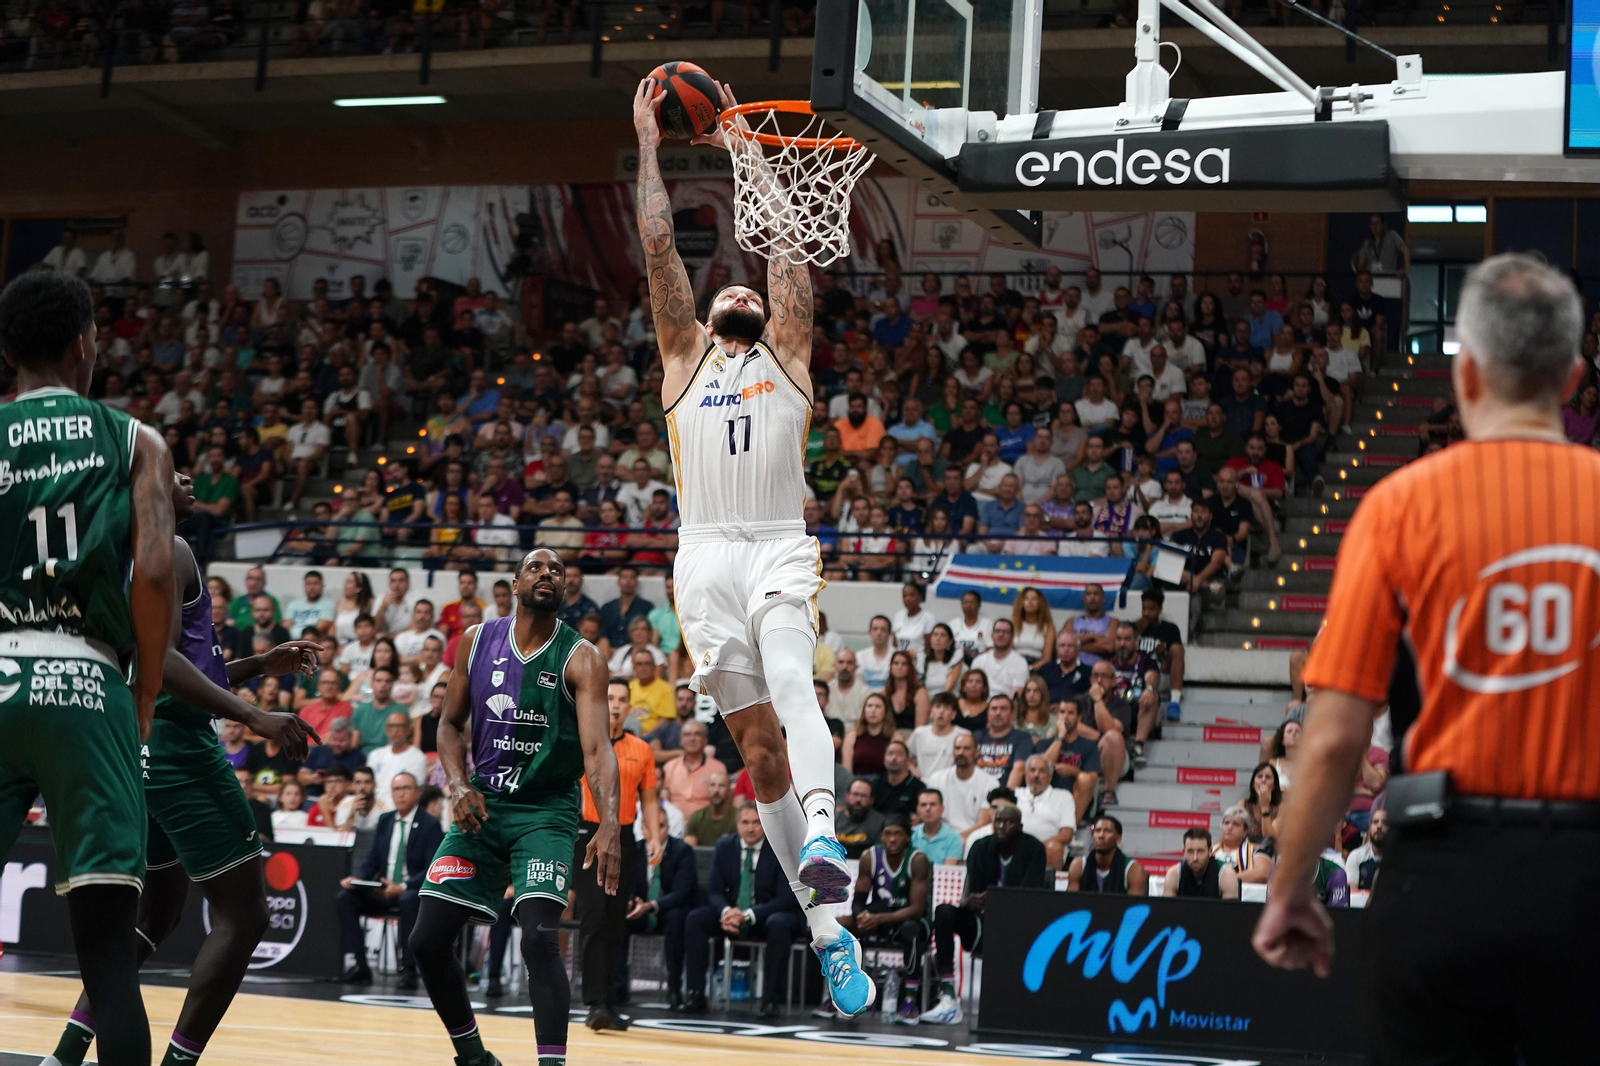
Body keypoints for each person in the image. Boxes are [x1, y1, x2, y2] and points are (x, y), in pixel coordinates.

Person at [1252, 254, 1600, 1065]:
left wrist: (1292, 887)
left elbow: (1335, 738)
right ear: (1574, 375)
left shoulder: (1401, 508)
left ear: (1466, 370)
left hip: (1443, 877)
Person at [634, 72, 874, 1017]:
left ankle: (822, 837)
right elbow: (660, 245)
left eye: (750, 285)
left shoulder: (788, 352)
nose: (737, 285)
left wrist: (741, 142)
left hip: (776, 543)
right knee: (760, 757)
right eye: (719, 283)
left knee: (790, 679)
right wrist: (649, 143)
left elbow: (780, 249)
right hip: (702, 559)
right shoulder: (685, 358)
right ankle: (829, 936)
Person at [42, 472, 319, 1066]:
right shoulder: (171, 546)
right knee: (245, 918)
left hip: (135, 748)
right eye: (174, 472)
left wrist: (260, 663)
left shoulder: (122, 550)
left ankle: (65, 1053)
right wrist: (254, 717)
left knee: (157, 910)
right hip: (179, 751)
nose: (188, 477)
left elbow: (171, 664)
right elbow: (163, 665)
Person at [0, 272, 177, 1066]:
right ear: (84, 342)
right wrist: (141, 691)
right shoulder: (138, 440)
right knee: (108, 959)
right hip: (84, 681)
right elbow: (156, 571)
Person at [407, 549, 622, 1066]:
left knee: (538, 939)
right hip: (482, 802)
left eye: (557, 571)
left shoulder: (582, 657)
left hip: (547, 811)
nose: (546, 575)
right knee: (426, 940)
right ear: (515, 582)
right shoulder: (476, 641)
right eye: (536, 568)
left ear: (565, 590)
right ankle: (474, 1057)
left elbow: (597, 750)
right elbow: (449, 725)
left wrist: (609, 822)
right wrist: (457, 786)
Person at [575, 678, 664, 1031]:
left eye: (621, 699)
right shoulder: (584, 742)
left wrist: (654, 835)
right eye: (609, 697)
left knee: (615, 921)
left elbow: (651, 799)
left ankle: (609, 1001)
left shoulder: (641, 749)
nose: (615, 704)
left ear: (629, 707)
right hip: (589, 834)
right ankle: (594, 1001)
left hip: (626, 837)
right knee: (594, 917)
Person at [923, 805, 1047, 1025]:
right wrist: (968, 901)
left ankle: (1019, 1005)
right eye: (998, 820)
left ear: (1020, 826)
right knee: (944, 912)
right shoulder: (980, 847)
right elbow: (966, 896)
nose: (1001, 825)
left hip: (1019, 927)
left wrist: (998, 899)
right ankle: (949, 997)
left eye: (1008, 821)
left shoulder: (1034, 848)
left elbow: (1032, 898)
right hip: (981, 925)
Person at [682, 804, 807, 1019]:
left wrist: (747, 915)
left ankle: (770, 1002)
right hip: (732, 914)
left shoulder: (781, 847)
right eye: (745, 823)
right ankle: (695, 994)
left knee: (779, 924)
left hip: (767, 915)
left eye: (757, 823)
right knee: (696, 918)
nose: (751, 829)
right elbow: (713, 890)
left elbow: (786, 898)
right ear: (737, 824)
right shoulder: (725, 846)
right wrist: (726, 912)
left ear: (765, 825)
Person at [334, 773, 443, 988]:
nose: (400, 794)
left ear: (416, 793)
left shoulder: (430, 825)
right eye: (396, 789)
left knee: (408, 900)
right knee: (344, 898)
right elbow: (372, 860)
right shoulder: (385, 821)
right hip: (382, 891)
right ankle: (360, 965)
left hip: (411, 892)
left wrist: (402, 887)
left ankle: (409, 970)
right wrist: (359, 880)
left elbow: (433, 868)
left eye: (406, 788)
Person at [838, 814, 931, 1024]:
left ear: (907, 837)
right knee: (840, 927)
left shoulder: (918, 860)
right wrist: (862, 916)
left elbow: (917, 909)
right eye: (887, 834)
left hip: (909, 920)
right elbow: (859, 900)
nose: (892, 839)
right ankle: (841, 991)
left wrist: (878, 918)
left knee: (911, 930)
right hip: (880, 916)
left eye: (898, 834)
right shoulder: (869, 857)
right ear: (881, 836)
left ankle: (910, 998)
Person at [621, 831, 700, 1010]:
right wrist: (632, 900)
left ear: (667, 828)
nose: (656, 830)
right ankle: (618, 987)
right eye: (649, 827)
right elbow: (626, 882)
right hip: (640, 908)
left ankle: (674, 989)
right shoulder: (635, 849)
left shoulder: (682, 851)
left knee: (677, 918)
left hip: (669, 909)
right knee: (620, 916)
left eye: (661, 826)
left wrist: (651, 905)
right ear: (642, 828)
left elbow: (682, 892)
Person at [924, 732, 1001, 837]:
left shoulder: (990, 783)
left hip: (974, 837)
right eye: (958, 748)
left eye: (967, 749)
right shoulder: (937, 779)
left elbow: (983, 823)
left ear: (976, 753)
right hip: (940, 836)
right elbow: (930, 817)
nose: (961, 752)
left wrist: (956, 840)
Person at [1068, 815, 1148, 894]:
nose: (1101, 835)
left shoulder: (1133, 869)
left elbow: (1134, 906)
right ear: (1092, 837)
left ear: (1118, 838)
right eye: (1097, 830)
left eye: (1107, 831)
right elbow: (1070, 901)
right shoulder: (1078, 865)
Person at [1163, 827, 1240, 899]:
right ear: (1184, 852)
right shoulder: (1174, 874)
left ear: (1210, 851)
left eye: (1200, 851)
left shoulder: (1226, 874)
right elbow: (1168, 910)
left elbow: (1230, 912)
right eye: (1190, 851)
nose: (1195, 858)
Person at [970, 617, 1030, 696]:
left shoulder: (1020, 662)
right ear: (992, 636)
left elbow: (1016, 695)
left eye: (1005, 632)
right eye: (997, 631)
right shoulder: (978, 661)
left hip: (1006, 706)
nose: (1001, 635)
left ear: (1012, 636)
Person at [682, 770, 739, 846]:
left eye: (721, 786)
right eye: (712, 785)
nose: (716, 790)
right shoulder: (697, 817)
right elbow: (689, 851)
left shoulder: (738, 817)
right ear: (707, 789)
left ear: (729, 791)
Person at [910, 788, 964, 864]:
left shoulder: (953, 838)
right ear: (917, 809)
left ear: (942, 809)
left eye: (933, 804)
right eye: (923, 805)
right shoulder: (910, 834)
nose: (928, 809)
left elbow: (948, 871)